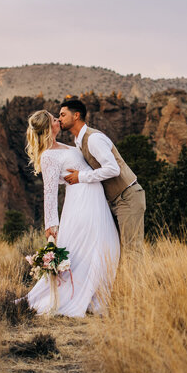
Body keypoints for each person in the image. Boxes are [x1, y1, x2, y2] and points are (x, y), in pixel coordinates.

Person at [23, 110, 120, 317]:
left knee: (106, 244)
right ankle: (81, 296)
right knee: (89, 248)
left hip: (95, 199)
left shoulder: (66, 146)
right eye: (54, 119)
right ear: (49, 127)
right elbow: (49, 191)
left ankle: (97, 296)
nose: (58, 120)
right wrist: (51, 226)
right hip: (80, 203)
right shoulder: (48, 155)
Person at [58, 98, 146, 254]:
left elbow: (113, 169)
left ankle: (137, 280)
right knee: (116, 250)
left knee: (132, 250)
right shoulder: (78, 141)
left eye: (63, 115)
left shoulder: (93, 139)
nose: (60, 119)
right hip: (114, 201)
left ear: (76, 115)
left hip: (128, 196)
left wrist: (81, 177)